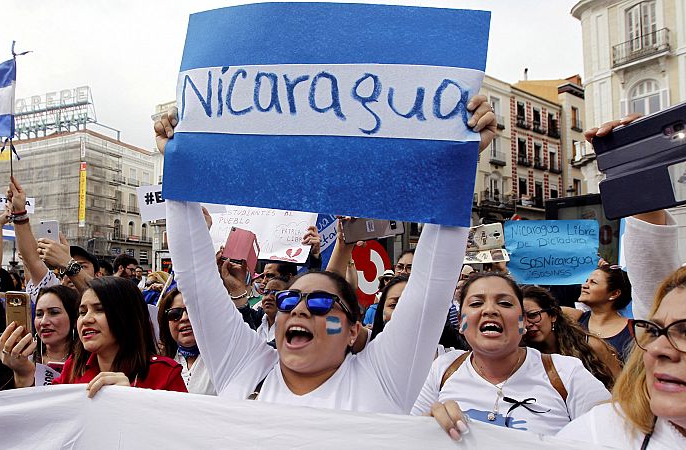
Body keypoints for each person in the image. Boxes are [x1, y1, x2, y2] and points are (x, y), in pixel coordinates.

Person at [153, 92, 495, 413]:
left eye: (319, 302)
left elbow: (429, 290)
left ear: (353, 329)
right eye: (289, 300)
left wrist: (462, 161)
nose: (299, 308)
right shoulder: (244, 367)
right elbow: (196, 280)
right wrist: (178, 164)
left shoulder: (383, 378)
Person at [419, 272, 610, 439]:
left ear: (523, 322)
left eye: (504, 303)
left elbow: (613, 436)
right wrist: (426, 429)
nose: (490, 310)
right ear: (461, 322)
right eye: (476, 303)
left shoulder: (566, 372)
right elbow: (404, 436)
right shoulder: (442, 369)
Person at [558, 266, 686, 448]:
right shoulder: (598, 433)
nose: (655, 348)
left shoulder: (630, 329)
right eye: (654, 331)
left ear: (614, 294)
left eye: (685, 331)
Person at [0, 276, 186, 397]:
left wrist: (132, 399)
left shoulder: (165, 374)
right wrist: (23, 374)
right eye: (82, 312)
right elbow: (48, 423)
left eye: (99, 310)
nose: (86, 319)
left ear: (127, 317)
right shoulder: (73, 368)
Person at [7, 176, 98, 300]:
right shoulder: (55, 295)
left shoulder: (109, 298)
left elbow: (97, 294)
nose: (68, 274)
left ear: (98, 275)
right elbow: (33, 260)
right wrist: (19, 210)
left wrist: (67, 263)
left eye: (82, 266)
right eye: (63, 269)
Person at [521, 285, 620, 389]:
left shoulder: (590, 345)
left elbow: (622, 386)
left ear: (553, 315)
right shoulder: (520, 355)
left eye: (533, 315)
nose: (527, 324)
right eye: (520, 319)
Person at [561, 266, 633, 362]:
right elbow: (541, 306)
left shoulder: (633, 330)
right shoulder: (576, 317)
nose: (584, 285)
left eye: (593, 282)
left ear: (614, 294)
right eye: (586, 281)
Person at [157, 288, 216, 395]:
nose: (184, 318)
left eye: (192, 311)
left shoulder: (224, 358)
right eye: (175, 314)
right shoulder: (159, 364)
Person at [256, 277, 290, 345]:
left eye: (275, 293)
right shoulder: (257, 321)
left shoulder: (292, 328)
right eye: (266, 293)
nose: (268, 297)